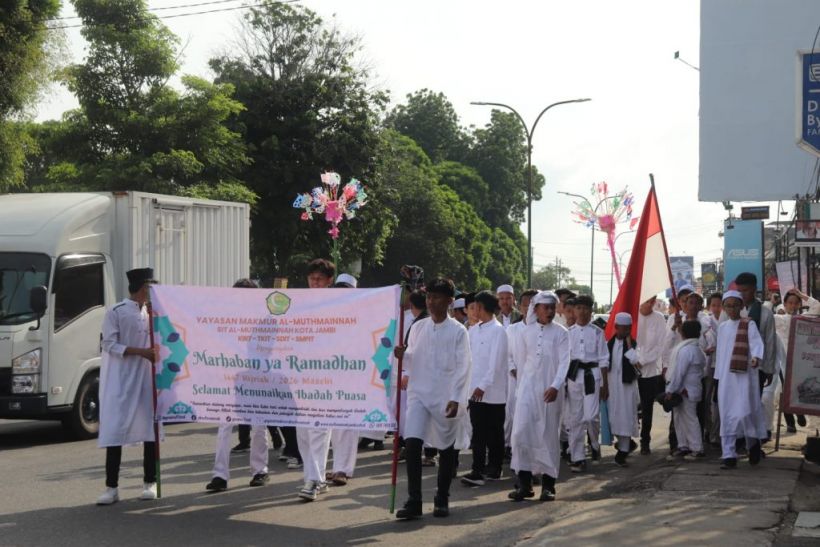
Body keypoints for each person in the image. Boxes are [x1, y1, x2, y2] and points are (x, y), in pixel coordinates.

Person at [395, 278, 471, 520]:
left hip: (445, 396)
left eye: (436, 297)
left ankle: (442, 498)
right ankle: (414, 501)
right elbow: (412, 359)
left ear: (449, 301)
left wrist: (456, 398)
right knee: (413, 444)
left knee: (446, 449)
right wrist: (402, 355)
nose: (431, 301)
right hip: (419, 393)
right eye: (429, 297)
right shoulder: (418, 327)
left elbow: (463, 366)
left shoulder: (458, 331)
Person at [96, 268, 159, 505]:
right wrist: (141, 352)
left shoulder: (153, 312)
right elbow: (109, 344)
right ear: (142, 288)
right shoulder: (116, 311)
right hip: (121, 380)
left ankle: (150, 482)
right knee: (115, 431)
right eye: (150, 288)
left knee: (150, 430)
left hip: (146, 379)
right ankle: (111, 488)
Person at [206, 278, 274, 492]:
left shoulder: (266, 319)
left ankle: (260, 470)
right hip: (231, 376)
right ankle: (219, 475)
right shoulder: (227, 318)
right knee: (224, 425)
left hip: (257, 376)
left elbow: (273, 347)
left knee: (259, 425)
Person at [508, 291, 570, 502]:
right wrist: (521, 387)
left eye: (552, 307)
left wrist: (555, 385)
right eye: (546, 307)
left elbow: (564, 362)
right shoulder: (526, 332)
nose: (550, 311)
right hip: (527, 389)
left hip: (551, 391)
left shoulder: (561, 333)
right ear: (536, 309)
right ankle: (524, 485)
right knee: (521, 434)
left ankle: (548, 486)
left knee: (548, 436)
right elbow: (521, 361)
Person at [297, 258, 336, 501]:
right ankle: (316, 478)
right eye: (312, 279)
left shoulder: (339, 304)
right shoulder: (299, 303)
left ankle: (313, 480)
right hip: (301, 374)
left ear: (329, 281)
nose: (315, 283)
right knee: (303, 431)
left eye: (319, 279)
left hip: (327, 374)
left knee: (318, 428)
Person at [461, 291, 509, 486]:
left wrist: (483, 385)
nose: (474, 310)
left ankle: (495, 468)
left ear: (483, 307)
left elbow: (496, 364)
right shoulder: (473, 330)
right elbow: (468, 359)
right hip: (474, 390)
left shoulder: (498, 331)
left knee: (495, 432)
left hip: (493, 392)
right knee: (478, 432)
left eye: (477, 307)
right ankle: (477, 470)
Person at [715, 290, 765, 470]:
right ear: (724, 307)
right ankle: (728, 455)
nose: (732, 309)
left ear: (741, 306)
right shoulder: (722, 327)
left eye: (735, 305)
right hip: (726, 378)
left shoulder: (748, 324)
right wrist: (718, 376)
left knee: (745, 413)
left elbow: (757, 343)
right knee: (727, 415)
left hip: (745, 376)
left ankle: (753, 443)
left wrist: (756, 357)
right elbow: (720, 353)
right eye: (728, 306)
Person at [326, 273, 362, 487]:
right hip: (330, 374)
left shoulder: (361, 315)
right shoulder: (328, 312)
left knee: (347, 423)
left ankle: (344, 469)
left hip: (352, 374)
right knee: (333, 424)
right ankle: (335, 466)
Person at [566, 295, 608, 473]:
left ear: (591, 311)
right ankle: (578, 457)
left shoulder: (598, 332)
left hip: (593, 376)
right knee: (575, 418)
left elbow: (604, 359)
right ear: (573, 311)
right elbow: (564, 359)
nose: (582, 312)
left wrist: (605, 384)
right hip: (574, 376)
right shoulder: (568, 333)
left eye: (586, 308)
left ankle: (594, 443)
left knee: (591, 417)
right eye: (579, 308)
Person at [602, 312, 640, 467]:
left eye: (628, 328)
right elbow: (603, 365)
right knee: (613, 419)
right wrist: (603, 386)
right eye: (624, 328)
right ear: (616, 327)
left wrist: (629, 346)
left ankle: (622, 453)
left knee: (625, 419)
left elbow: (637, 362)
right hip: (612, 387)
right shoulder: (607, 345)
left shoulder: (634, 344)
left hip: (627, 388)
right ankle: (626, 445)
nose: (626, 331)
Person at [665, 321, 706, 460]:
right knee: (680, 418)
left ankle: (697, 449)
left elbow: (679, 373)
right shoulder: (697, 349)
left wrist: (671, 390)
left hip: (686, 389)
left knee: (689, 418)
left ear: (683, 333)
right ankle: (684, 446)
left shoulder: (686, 350)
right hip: (687, 388)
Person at [505, 289, 538, 458]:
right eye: (526, 305)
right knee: (513, 415)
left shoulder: (544, 330)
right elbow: (507, 354)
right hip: (515, 379)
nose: (529, 309)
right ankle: (511, 447)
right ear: (520, 307)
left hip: (537, 382)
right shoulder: (512, 329)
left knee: (533, 418)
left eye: (534, 305)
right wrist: (512, 368)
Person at [731, 273, 777, 394]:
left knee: (754, 401)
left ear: (754, 289)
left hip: (757, 367)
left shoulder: (766, 314)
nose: (742, 294)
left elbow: (770, 343)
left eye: (745, 290)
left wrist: (769, 369)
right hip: (734, 366)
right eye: (739, 291)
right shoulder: (731, 311)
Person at [636, 296, 667, 455]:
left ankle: (645, 441)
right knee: (629, 407)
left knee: (647, 407)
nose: (649, 304)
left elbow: (661, 345)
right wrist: (634, 359)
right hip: (631, 369)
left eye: (652, 301)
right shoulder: (633, 315)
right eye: (646, 301)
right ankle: (625, 440)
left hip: (650, 371)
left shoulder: (659, 318)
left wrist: (643, 360)